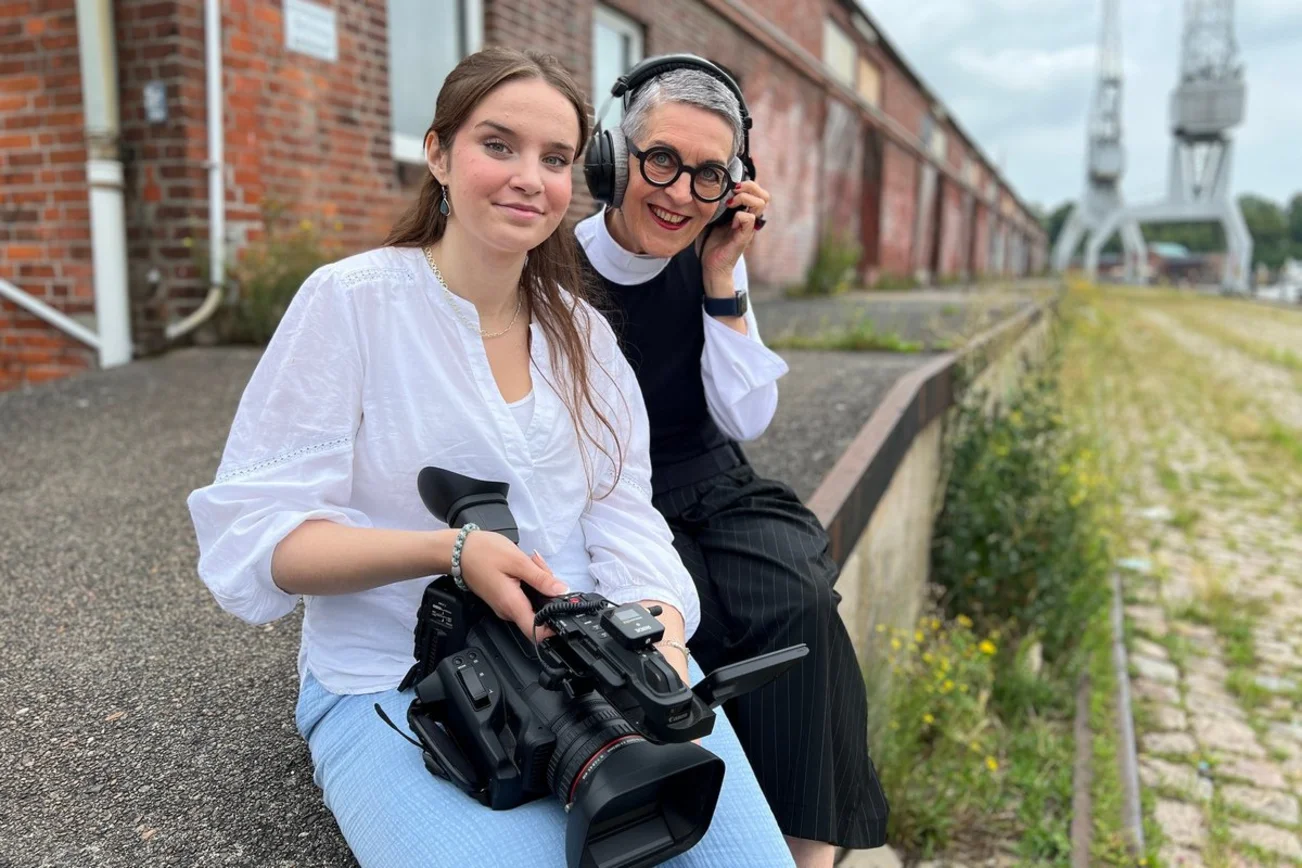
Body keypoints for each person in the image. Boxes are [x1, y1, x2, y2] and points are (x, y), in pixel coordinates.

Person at [187, 47, 796, 868]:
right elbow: (262, 539)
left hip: (591, 673)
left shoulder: (583, 335)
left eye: (553, 159)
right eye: (497, 145)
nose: (528, 178)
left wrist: (661, 642)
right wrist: (450, 552)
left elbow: (622, 511)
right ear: (438, 152)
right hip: (395, 680)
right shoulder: (349, 306)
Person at [576, 55, 890, 868]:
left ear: (734, 188)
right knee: (684, 623)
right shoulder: (553, 270)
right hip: (614, 493)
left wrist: (721, 274)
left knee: (799, 599)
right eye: (662, 161)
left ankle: (808, 849)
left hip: (710, 475)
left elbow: (747, 414)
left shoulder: (713, 259)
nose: (681, 193)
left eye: (709, 175)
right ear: (614, 156)